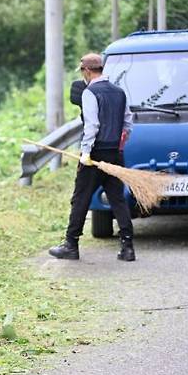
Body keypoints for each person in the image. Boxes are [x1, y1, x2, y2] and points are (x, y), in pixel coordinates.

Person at [49, 53, 136, 262]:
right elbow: (128, 124)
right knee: (117, 199)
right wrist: (118, 147)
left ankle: (71, 245)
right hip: (115, 154)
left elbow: (92, 126)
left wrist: (85, 154)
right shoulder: (119, 92)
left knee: (81, 198)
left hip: (95, 154)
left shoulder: (90, 93)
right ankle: (128, 247)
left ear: (87, 71)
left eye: (82, 71)